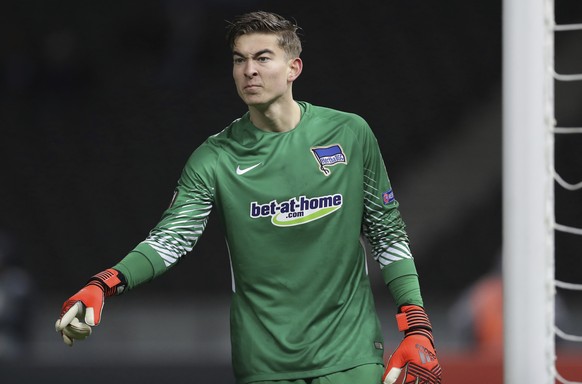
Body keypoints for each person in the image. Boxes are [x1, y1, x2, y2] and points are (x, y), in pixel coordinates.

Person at [55, 11, 442, 384]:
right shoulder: (215, 158)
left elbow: (387, 233)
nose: (248, 70)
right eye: (239, 60)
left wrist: (417, 327)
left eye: (262, 57)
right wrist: (103, 284)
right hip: (264, 362)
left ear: (294, 68)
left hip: (351, 354)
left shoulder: (350, 133)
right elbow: (171, 239)